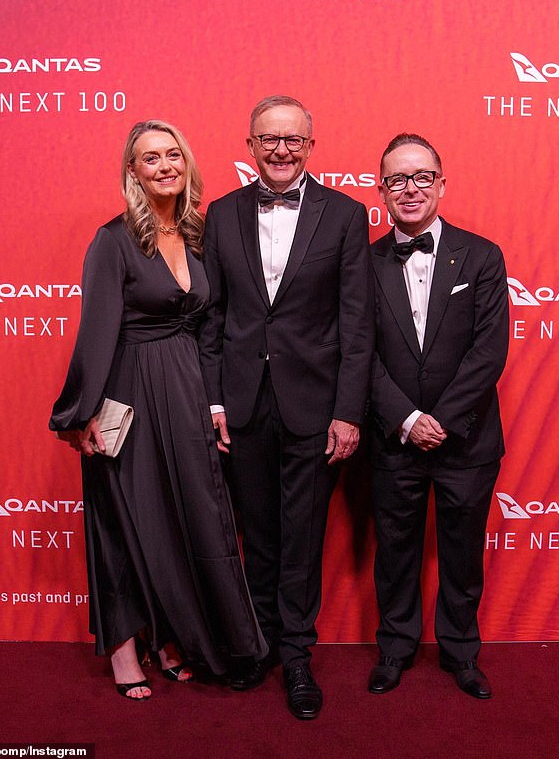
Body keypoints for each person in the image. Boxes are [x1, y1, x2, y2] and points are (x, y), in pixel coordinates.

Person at [49, 119, 267, 700]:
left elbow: (211, 328)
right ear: (133, 171)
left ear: (187, 165)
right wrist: (82, 414)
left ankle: (169, 639)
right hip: (127, 394)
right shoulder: (113, 240)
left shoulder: (198, 236)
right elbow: (96, 332)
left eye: (174, 155)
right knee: (122, 518)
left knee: (181, 519)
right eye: (151, 158)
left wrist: (213, 400)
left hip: (187, 389)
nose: (165, 165)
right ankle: (125, 649)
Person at [199, 96, 374, 719]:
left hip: (316, 407)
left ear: (310, 145)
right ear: (249, 145)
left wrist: (349, 412)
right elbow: (213, 317)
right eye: (268, 139)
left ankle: (298, 655)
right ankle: (261, 646)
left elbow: (358, 325)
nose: (280, 150)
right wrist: (214, 400)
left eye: (293, 140)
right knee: (258, 534)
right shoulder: (219, 215)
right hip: (242, 404)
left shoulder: (348, 215)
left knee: (302, 537)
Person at [367, 133, 509, 700]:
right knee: (394, 551)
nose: (410, 188)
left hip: (467, 439)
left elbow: (489, 350)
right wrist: (405, 418)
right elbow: (358, 352)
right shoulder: (364, 262)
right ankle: (395, 649)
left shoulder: (482, 255)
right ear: (382, 191)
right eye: (397, 179)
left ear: (441, 184)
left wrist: (441, 419)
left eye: (421, 176)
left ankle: (461, 653)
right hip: (393, 438)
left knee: (462, 552)